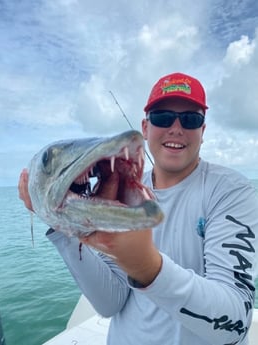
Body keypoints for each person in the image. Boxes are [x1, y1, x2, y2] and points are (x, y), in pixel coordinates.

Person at [18, 72, 258, 345]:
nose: (176, 128)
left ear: (203, 131)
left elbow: (235, 323)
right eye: (162, 117)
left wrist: (146, 266)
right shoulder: (118, 194)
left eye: (191, 119)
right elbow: (110, 303)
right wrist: (66, 230)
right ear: (145, 128)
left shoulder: (231, 191)